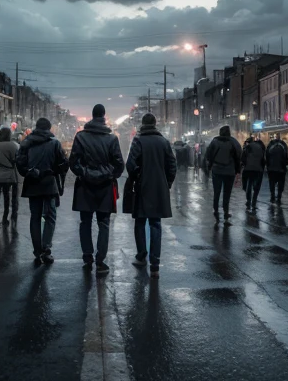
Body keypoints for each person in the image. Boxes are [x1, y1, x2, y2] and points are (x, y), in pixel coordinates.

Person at [70, 104, 125, 273]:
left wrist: (84, 173)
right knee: (104, 223)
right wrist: (108, 174)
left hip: (85, 186)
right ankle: (100, 261)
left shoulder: (80, 137)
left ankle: (87, 257)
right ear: (104, 116)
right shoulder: (112, 139)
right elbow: (119, 165)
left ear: (92, 116)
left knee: (85, 222)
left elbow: (73, 162)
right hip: (105, 187)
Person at [127, 113, 175, 279]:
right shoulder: (163, 142)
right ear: (155, 124)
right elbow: (172, 165)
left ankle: (141, 256)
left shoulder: (138, 140)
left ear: (143, 124)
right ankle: (155, 264)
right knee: (155, 223)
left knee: (140, 222)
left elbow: (130, 164)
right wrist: (166, 183)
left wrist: (136, 177)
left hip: (142, 187)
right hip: (159, 188)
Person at [17, 118, 68, 265]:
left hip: (33, 183)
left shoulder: (26, 143)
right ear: (49, 128)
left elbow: (20, 164)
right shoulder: (54, 143)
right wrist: (53, 172)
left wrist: (30, 172)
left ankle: (37, 251)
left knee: (35, 216)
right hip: (49, 183)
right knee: (50, 216)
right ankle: (46, 249)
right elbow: (63, 164)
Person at [204, 125, 242, 224]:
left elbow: (208, 155)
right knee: (227, 193)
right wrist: (238, 170)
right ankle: (226, 212)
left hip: (217, 170)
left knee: (217, 192)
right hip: (229, 172)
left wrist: (209, 167)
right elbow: (239, 157)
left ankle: (216, 210)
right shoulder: (234, 142)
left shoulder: (214, 141)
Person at [241, 135, 266, 212]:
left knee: (248, 184)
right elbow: (263, 160)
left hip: (248, 169)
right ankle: (254, 201)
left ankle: (248, 200)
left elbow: (243, 158)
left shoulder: (247, 147)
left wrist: (244, 165)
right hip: (258, 169)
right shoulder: (260, 147)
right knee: (257, 187)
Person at [265, 135, 288, 204]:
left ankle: (272, 196)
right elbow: (286, 157)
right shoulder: (283, 145)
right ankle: (279, 197)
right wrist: (285, 165)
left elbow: (267, 156)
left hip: (271, 169)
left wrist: (268, 165)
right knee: (281, 183)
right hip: (281, 169)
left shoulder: (270, 145)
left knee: (272, 183)